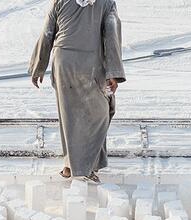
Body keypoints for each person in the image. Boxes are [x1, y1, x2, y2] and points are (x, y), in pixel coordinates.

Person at [29, 0, 126, 183]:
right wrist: (113, 72)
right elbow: (111, 35)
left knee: (71, 117)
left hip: (64, 63)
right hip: (89, 64)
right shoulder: (106, 3)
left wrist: (39, 66)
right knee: (98, 115)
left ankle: (71, 166)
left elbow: (47, 32)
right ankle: (83, 169)